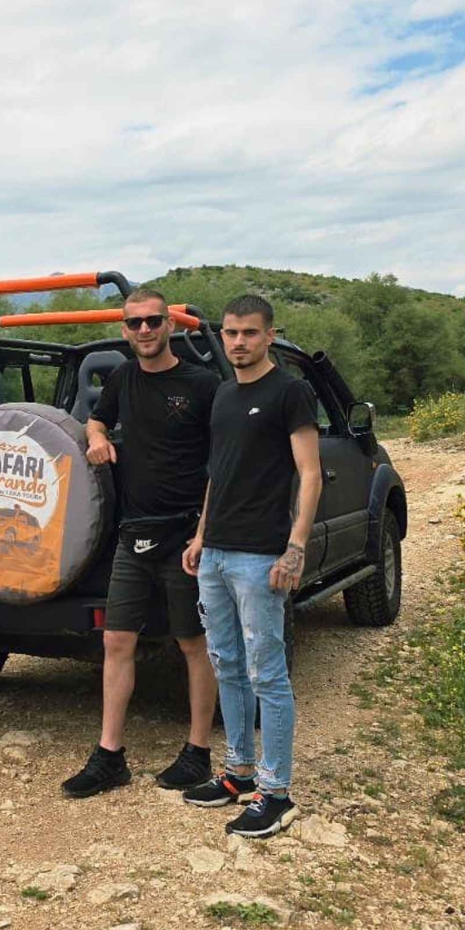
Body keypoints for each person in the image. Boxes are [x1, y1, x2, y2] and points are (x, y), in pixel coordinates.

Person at [61, 287, 221, 798]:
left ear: (170, 324)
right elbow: (96, 418)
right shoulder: (122, 378)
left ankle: (198, 752)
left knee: (194, 644)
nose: (145, 330)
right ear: (124, 329)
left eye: (153, 321)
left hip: (185, 536)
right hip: (134, 534)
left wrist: (204, 534)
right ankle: (110, 756)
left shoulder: (202, 384)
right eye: (135, 323)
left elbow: (221, 464)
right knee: (116, 641)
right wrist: (96, 437)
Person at [181, 294, 321, 838]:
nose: (238, 342)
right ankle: (239, 773)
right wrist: (201, 536)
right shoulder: (223, 394)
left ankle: (277, 792)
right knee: (226, 664)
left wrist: (295, 547)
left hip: (261, 555)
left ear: (269, 335)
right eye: (231, 333)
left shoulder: (290, 391)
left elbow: (309, 473)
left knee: (267, 672)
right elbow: (218, 472)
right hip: (216, 553)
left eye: (249, 333)